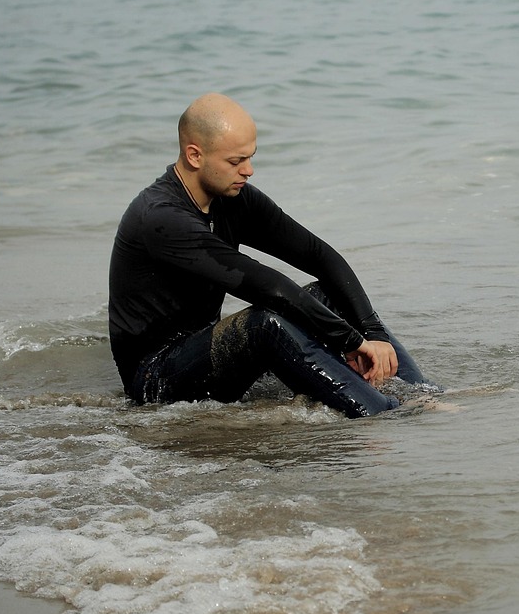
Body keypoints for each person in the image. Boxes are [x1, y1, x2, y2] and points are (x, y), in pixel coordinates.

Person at [108, 93, 431, 417]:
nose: (248, 171)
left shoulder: (234, 198)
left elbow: (318, 256)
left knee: (327, 294)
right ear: (195, 155)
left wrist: (372, 333)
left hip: (208, 352)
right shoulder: (162, 217)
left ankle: (424, 398)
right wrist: (351, 342)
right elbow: (268, 286)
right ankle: (384, 414)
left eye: (250, 158)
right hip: (155, 378)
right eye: (235, 162)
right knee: (264, 324)